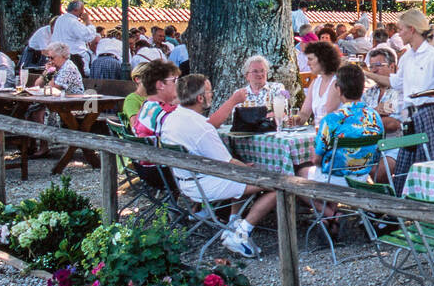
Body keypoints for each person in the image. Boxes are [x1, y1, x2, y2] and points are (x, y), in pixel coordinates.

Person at [160, 74, 278, 258]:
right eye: (209, 92)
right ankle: (241, 233)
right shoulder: (201, 127)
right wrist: (252, 171)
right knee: (276, 185)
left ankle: (233, 222)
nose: (211, 95)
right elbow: (228, 164)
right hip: (203, 184)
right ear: (200, 98)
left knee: (241, 169)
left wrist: (242, 167)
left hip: (185, 182)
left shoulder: (171, 118)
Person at [362, 9, 434, 188]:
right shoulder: (406, 57)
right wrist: (368, 74)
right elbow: (395, 82)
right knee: (407, 168)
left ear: (412, 30)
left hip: (430, 115)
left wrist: (430, 93)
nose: (398, 33)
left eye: (401, 29)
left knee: (431, 167)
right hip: (410, 116)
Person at [304, 62, 383, 193]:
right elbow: (376, 153)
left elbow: (317, 161)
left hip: (332, 180)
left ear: (338, 89)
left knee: (299, 172)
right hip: (362, 178)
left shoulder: (331, 120)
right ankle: (332, 209)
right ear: (363, 88)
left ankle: (328, 211)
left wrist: (313, 153)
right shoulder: (374, 116)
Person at [292, 40, 342, 126]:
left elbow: (328, 117)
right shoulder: (316, 82)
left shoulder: (336, 83)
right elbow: (304, 113)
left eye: (310, 59)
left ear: (323, 60)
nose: (308, 63)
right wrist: (296, 119)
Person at [131, 60, 181, 137]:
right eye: (174, 80)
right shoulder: (165, 115)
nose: (177, 84)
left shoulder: (147, 105)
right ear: (160, 85)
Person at [361, 47, 403, 136]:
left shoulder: (400, 90)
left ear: (392, 67)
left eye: (378, 65)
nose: (374, 70)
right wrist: (375, 111)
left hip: (394, 146)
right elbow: (356, 116)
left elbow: (392, 124)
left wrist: (365, 116)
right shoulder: (369, 92)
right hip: (370, 146)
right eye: (371, 66)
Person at [52, 0, 100, 69]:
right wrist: (87, 21)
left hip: (60, 55)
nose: (83, 12)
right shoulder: (73, 22)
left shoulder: (60, 19)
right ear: (76, 10)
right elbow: (89, 36)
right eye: (82, 9)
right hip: (73, 57)